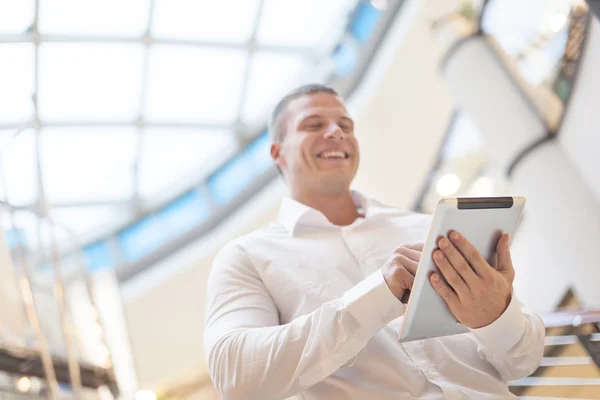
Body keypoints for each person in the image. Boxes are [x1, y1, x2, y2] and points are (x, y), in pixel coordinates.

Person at [203, 84, 545, 399]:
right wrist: (377, 294)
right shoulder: (246, 256)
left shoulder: (428, 227)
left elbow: (523, 361)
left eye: (346, 125)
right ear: (278, 152)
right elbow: (235, 376)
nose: (336, 132)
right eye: (313, 124)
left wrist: (496, 315)